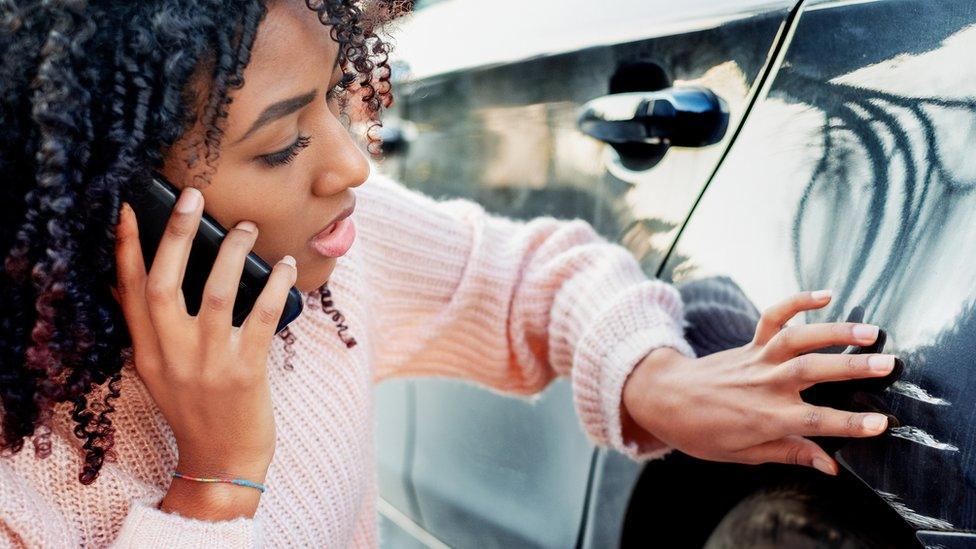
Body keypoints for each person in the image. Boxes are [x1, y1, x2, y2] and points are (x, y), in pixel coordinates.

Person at [0, 1, 900, 546]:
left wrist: (653, 377)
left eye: (335, 100)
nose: (353, 166)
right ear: (114, 195)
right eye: (281, 146)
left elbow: (529, 276)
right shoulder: (22, 465)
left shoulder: (322, 264)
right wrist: (216, 480)